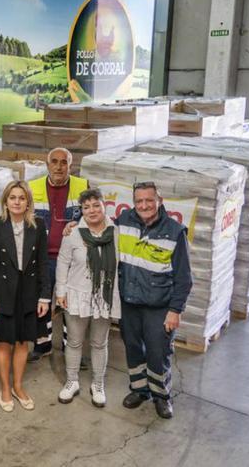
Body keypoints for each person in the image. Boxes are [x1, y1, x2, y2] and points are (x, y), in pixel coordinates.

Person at [116, 182, 193, 419]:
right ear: (133, 202)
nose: (144, 205)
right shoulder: (124, 221)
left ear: (159, 201)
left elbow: (184, 278)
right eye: (139, 201)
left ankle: (161, 396)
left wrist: (175, 310)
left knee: (158, 352)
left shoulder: (174, 231)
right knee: (132, 348)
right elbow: (98, 227)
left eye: (149, 200)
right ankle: (139, 390)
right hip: (130, 302)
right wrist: (73, 226)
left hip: (158, 306)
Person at [0, 180, 51, 412]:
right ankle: (5, 388)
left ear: (28, 201)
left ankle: (19, 387)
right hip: (3, 292)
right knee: (3, 342)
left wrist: (44, 297)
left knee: (22, 342)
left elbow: (43, 263)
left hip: (29, 291)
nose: (17, 202)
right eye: (13, 197)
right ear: (6, 202)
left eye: (21, 197)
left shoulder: (38, 225)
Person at [54, 189, 120, 408]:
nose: (91, 210)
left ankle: (98, 384)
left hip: (104, 297)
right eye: (86, 207)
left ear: (104, 206)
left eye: (96, 205)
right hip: (76, 295)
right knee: (73, 341)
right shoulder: (73, 233)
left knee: (99, 343)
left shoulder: (116, 232)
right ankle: (72, 382)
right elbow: (63, 262)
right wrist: (60, 292)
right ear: (81, 210)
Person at [27, 147, 88, 361]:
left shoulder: (83, 187)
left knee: (71, 306)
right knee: (40, 301)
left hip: (71, 259)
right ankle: (42, 345)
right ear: (47, 164)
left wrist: (80, 225)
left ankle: (71, 347)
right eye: (55, 161)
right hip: (42, 258)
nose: (59, 166)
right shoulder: (32, 187)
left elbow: (93, 217)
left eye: (64, 162)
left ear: (71, 166)